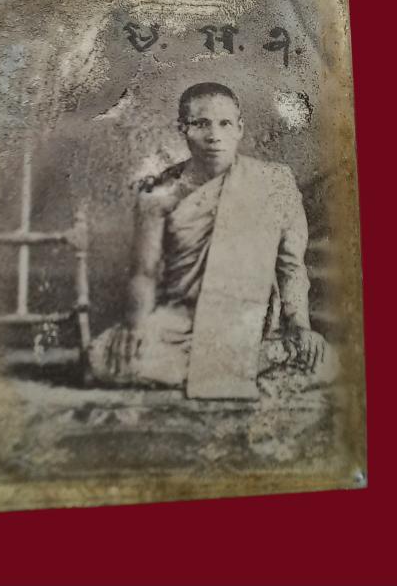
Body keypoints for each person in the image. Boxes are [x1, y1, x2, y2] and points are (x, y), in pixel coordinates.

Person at [88, 82, 330, 399]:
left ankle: (228, 365)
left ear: (239, 129)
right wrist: (135, 327)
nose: (214, 135)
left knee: (325, 360)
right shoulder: (158, 194)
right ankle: (253, 369)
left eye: (225, 123)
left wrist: (300, 326)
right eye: (201, 124)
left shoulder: (275, 183)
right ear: (183, 129)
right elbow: (144, 273)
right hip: (182, 323)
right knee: (101, 357)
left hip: (252, 322)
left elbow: (291, 268)